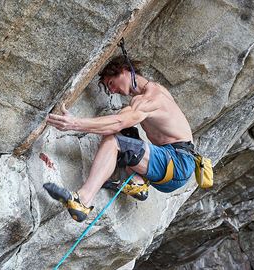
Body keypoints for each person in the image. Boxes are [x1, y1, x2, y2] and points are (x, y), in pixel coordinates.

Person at [43, 55, 196, 222]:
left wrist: (75, 123)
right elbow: (119, 122)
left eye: (111, 83)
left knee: (115, 140)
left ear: (124, 71)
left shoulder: (151, 98)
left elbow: (117, 124)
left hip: (178, 163)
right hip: (172, 165)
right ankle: (138, 183)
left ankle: (82, 200)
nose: (112, 90)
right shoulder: (151, 92)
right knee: (124, 133)